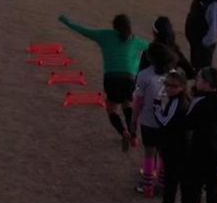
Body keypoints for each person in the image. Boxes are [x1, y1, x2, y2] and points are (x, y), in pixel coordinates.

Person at [59, 14, 149, 151]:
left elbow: (83, 30)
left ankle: (123, 131)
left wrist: (66, 20)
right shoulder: (135, 40)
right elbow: (154, 47)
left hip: (111, 77)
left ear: (114, 26)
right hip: (129, 78)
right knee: (127, 104)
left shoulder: (104, 35)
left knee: (111, 108)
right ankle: (134, 136)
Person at [175, 67, 217, 203]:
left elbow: (187, 123)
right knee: (212, 186)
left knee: (194, 186)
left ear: (206, 83)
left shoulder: (200, 100)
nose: (196, 81)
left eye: (199, 79)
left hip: (201, 148)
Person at [131, 43, 177, 197]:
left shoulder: (144, 75)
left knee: (149, 152)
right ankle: (162, 183)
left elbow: (138, 101)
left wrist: (133, 120)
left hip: (148, 120)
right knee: (164, 152)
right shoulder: (173, 74)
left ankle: (147, 185)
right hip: (167, 121)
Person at [155, 70, 190, 203]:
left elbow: (164, 121)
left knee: (172, 179)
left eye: (173, 86)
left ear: (182, 87)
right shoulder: (184, 99)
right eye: (167, 84)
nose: (169, 88)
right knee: (182, 178)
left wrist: (156, 106)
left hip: (175, 146)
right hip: (182, 144)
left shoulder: (177, 102)